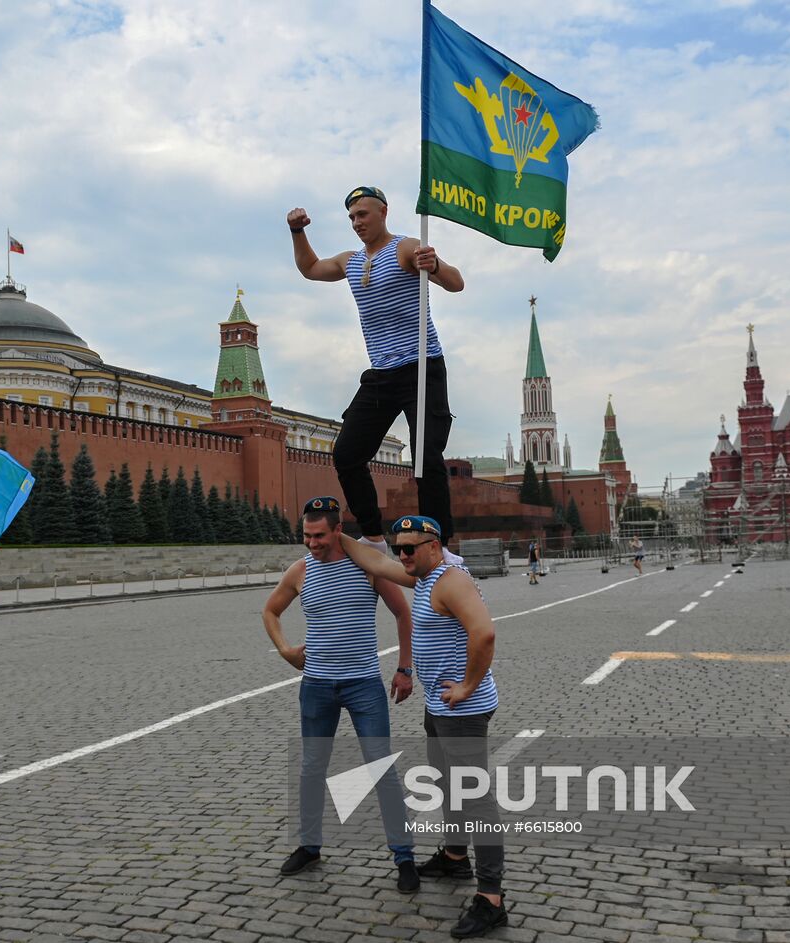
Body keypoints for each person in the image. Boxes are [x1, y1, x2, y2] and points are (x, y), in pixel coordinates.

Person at [341, 518, 508, 939]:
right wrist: (330, 532)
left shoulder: (450, 581)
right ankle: (454, 857)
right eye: (400, 548)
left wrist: (468, 685)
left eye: (411, 548)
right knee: (448, 785)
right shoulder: (425, 575)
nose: (403, 555)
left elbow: (484, 633)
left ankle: (491, 899)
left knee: (475, 796)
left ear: (434, 546)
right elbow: (374, 563)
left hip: (462, 710)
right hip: (440, 707)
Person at [287, 187, 465, 563]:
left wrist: (434, 266)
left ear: (383, 212)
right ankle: (373, 536)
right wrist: (297, 231)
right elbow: (310, 269)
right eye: (352, 217)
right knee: (348, 454)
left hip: (422, 367)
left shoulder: (406, 248)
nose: (357, 223)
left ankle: (440, 545)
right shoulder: (349, 261)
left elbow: (455, 282)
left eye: (363, 215)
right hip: (382, 374)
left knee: (425, 459)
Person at [262, 496, 419, 893]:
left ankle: (404, 858)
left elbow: (403, 612)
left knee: (380, 769)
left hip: (363, 683)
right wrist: (284, 649)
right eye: (306, 536)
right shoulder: (300, 571)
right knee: (312, 769)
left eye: (319, 535)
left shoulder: (366, 566)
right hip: (316, 686)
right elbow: (270, 611)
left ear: (336, 531)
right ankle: (309, 846)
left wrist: (404, 668)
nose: (312, 543)